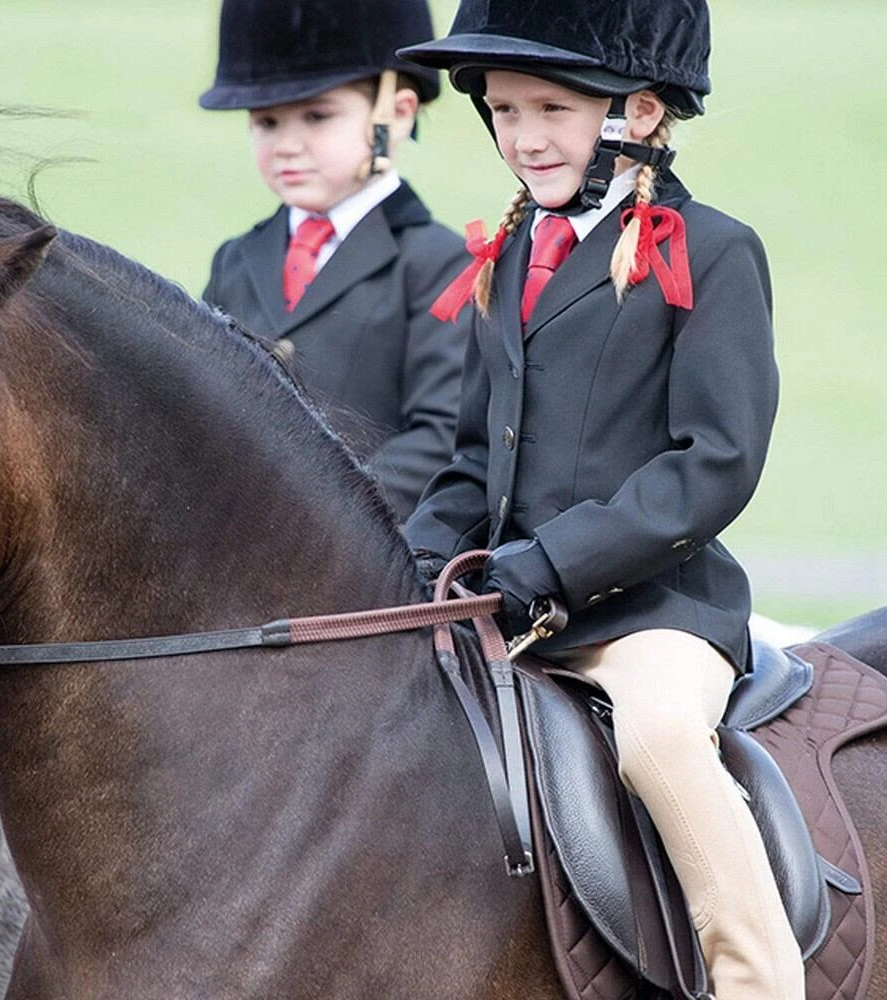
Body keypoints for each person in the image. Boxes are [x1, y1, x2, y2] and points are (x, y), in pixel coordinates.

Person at [399, 2, 805, 997]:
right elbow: (470, 460)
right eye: (504, 111)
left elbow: (715, 461)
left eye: (552, 109)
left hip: (650, 611)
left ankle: (757, 978)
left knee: (660, 743)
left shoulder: (713, 250)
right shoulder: (507, 256)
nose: (524, 137)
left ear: (640, 112)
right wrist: (405, 563)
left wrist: (550, 563)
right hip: (507, 604)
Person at [199, 0, 469, 520]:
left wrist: (316, 517)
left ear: (397, 113)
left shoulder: (439, 262)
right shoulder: (235, 260)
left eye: (317, 116)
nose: (286, 146)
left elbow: (442, 434)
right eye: (266, 122)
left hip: (369, 550)